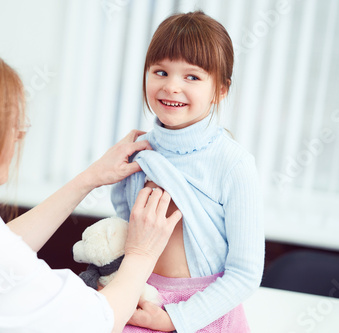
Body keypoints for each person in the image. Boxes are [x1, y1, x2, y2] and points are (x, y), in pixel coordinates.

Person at [0, 42, 182, 332]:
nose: (17, 140)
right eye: (16, 129)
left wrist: (89, 178)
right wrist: (142, 254)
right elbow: (96, 321)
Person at [111, 11, 265, 332]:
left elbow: (245, 274)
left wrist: (174, 320)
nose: (172, 87)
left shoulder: (233, 164)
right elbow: (127, 236)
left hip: (203, 314)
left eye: (192, 77)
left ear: (221, 89)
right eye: (161, 71)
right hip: (140, 301)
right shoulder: (136, 153)